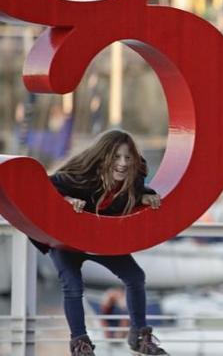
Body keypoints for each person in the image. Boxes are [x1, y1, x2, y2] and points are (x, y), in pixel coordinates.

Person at [35, 130, 169, 356]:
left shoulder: (134, 177)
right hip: (67, 240)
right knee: (73, 285)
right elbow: (47, 187)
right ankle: (80, 344)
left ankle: (139, 337)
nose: (123, 163)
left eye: (128, 157)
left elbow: (134, 192)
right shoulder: (81, 175)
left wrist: (143, 197)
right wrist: (67, 201)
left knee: (135, 277)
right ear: (104, 157)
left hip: (99, 239)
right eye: (116, 157)